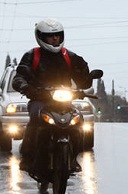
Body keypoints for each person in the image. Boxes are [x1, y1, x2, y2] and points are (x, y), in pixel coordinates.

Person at [12, 18, 94, 172]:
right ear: (41, 37)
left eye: (58, 35)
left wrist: (87, 80)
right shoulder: (32, 56)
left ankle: (73, 158)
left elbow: (83, 78)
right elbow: (19, 77)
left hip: (64, 101)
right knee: (35, 118)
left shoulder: (70, 56)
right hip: (40, 99)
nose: (55, 38)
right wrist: (26, 87)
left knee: (78, 121)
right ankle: (28, 158)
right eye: (51, 36)